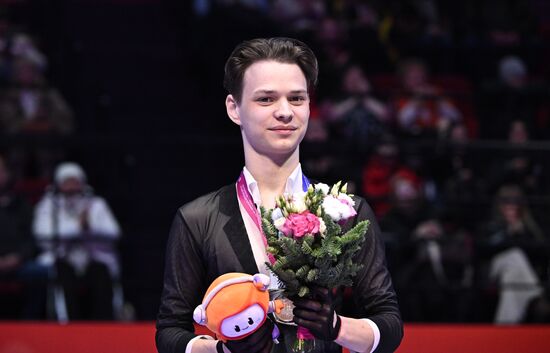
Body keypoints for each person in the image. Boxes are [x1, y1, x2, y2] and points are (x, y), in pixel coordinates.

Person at [156, 37, 402, 353]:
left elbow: (389, 326)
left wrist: (337, 327)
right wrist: (223, 350)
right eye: (266, 99)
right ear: (234, 109)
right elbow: (169, 332)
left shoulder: (346, 212)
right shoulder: (198, 219)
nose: (285, 112)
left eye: (297, 98)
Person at [33, 162, 121, 320]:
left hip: (93, 258)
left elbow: (114, 232)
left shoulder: (96, 204)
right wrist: (77, 227)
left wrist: (89, 226)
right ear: (59, 184)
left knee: (101, 274)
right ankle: (69, 324)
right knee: (63, 275)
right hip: (62, 259)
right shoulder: (48, 205)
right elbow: (41, 234)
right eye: (67, 182)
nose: (71, 187)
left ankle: (103, 326)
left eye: (75, 181)